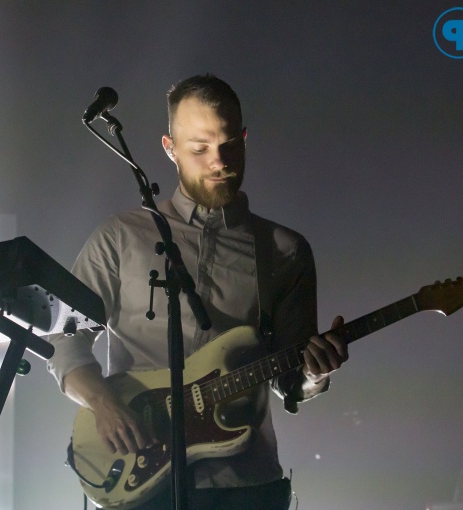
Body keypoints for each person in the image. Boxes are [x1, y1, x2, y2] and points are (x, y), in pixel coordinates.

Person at [48, 74, 348, 509]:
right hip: (137, 478)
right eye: (200, 148)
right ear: (169, 148)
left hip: (244, 486)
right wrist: (103, 403)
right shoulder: (120, 237)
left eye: (230, 145)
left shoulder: (285, 251)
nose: (218, 161)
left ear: (245, 138)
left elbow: (290, 381)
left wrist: (317, 370)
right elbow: (62, 338)